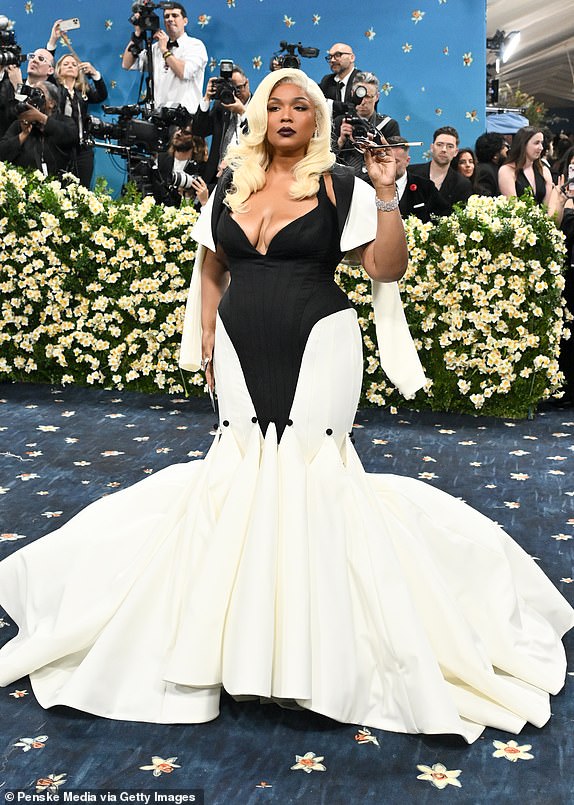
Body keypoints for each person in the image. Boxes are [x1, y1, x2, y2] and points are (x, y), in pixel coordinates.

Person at [0, 69, 572, 747]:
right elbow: (212, 265)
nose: (288, 114)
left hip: (323, 345)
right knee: (240, 474)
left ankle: (314, 656)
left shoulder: (342, 185)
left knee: (311, 475)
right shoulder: (232, 183)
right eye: (277, 104)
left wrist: (388, 196)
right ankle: (235, 648)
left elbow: (385, 269)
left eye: (303, 105)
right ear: (261, 116)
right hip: (241, 348)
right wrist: (209, 335)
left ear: (320, 119)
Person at [121, 2, 207, 115]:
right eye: (166, 16)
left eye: (175, 16)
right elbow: (127, 64)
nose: (170, 19)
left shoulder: (195, 45)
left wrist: (164, 50)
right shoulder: (155, 48)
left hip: (185, 120)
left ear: (185, 21)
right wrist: (137, 35)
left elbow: (184, 72)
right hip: (159, 117)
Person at [51, 50, 108, 187]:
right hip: (59, 147)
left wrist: (94, 73)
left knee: (82, 188)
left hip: (82, 149)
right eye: (66, 64)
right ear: (58, 70)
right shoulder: (53, 89)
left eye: (74, 64)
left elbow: (101, 95)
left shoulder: (83, 92)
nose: (70, 66)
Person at [332, 71, 400, 186]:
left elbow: (395, 161)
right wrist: (341, 141)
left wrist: (374, 147)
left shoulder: (388, 125)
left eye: (368, 96)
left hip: (375, 182)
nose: (363, 102)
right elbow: (326, 158)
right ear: (353, 93)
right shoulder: (340, 122)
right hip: (343, 182)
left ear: (377, 97)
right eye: (360, 96)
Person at [0, 80, 77, 177]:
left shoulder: (65, 121)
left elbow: (71, 136)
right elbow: (2, 153)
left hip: (56, 185)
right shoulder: (19, 123)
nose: (33, 98)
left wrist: (41, 118)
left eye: (38, 92)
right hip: (22, 183)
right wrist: (23, 135)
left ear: (51, 103)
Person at [192, 64, 251, 185]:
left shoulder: (259, 107)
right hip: (215, 177)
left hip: (244, 178)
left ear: (247, 83)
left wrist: (242, 112)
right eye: (232, 89)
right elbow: (199, 130)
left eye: (239, 88)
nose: (235, 94)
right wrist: (207, 98)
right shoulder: (221, 106)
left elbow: (258, 137)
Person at [410, 126, 473, 213]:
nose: (444, 150)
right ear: (432, 148)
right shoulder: (411, 173)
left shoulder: (462, 184)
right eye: (439, 145)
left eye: (450, 146)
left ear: (456, 152)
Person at [387, 135, 450, 222]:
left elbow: (444, 216)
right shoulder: (369, 185)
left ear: (407, 161)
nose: (389, 166)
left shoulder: (425, 187)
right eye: (386, 161)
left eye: (395, 161)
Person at [154, 123, 210, 208]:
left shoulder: (202, 167)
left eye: (186, 133)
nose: (178, 133)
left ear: (195, 139)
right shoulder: (161, 160)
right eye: (178, 129)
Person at [498, 126, 553, 206]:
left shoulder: (544, 170)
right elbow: (513, 207)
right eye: (536, 143)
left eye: (542, 143)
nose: (541, 148)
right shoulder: (507, 171)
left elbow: (547, 207)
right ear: (523, 144)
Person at [319, 42, 360, 116]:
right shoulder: (327, 81)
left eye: (337, 55)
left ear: (352, 57)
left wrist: (331, 104)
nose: (332, 60)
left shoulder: (362, 80)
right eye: (330, 57)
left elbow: (357, 108)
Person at [474, 132, 508, 196]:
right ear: (495, 155)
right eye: (504, 147)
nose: (507, 150)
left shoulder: (496, 169)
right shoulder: (486, 171)